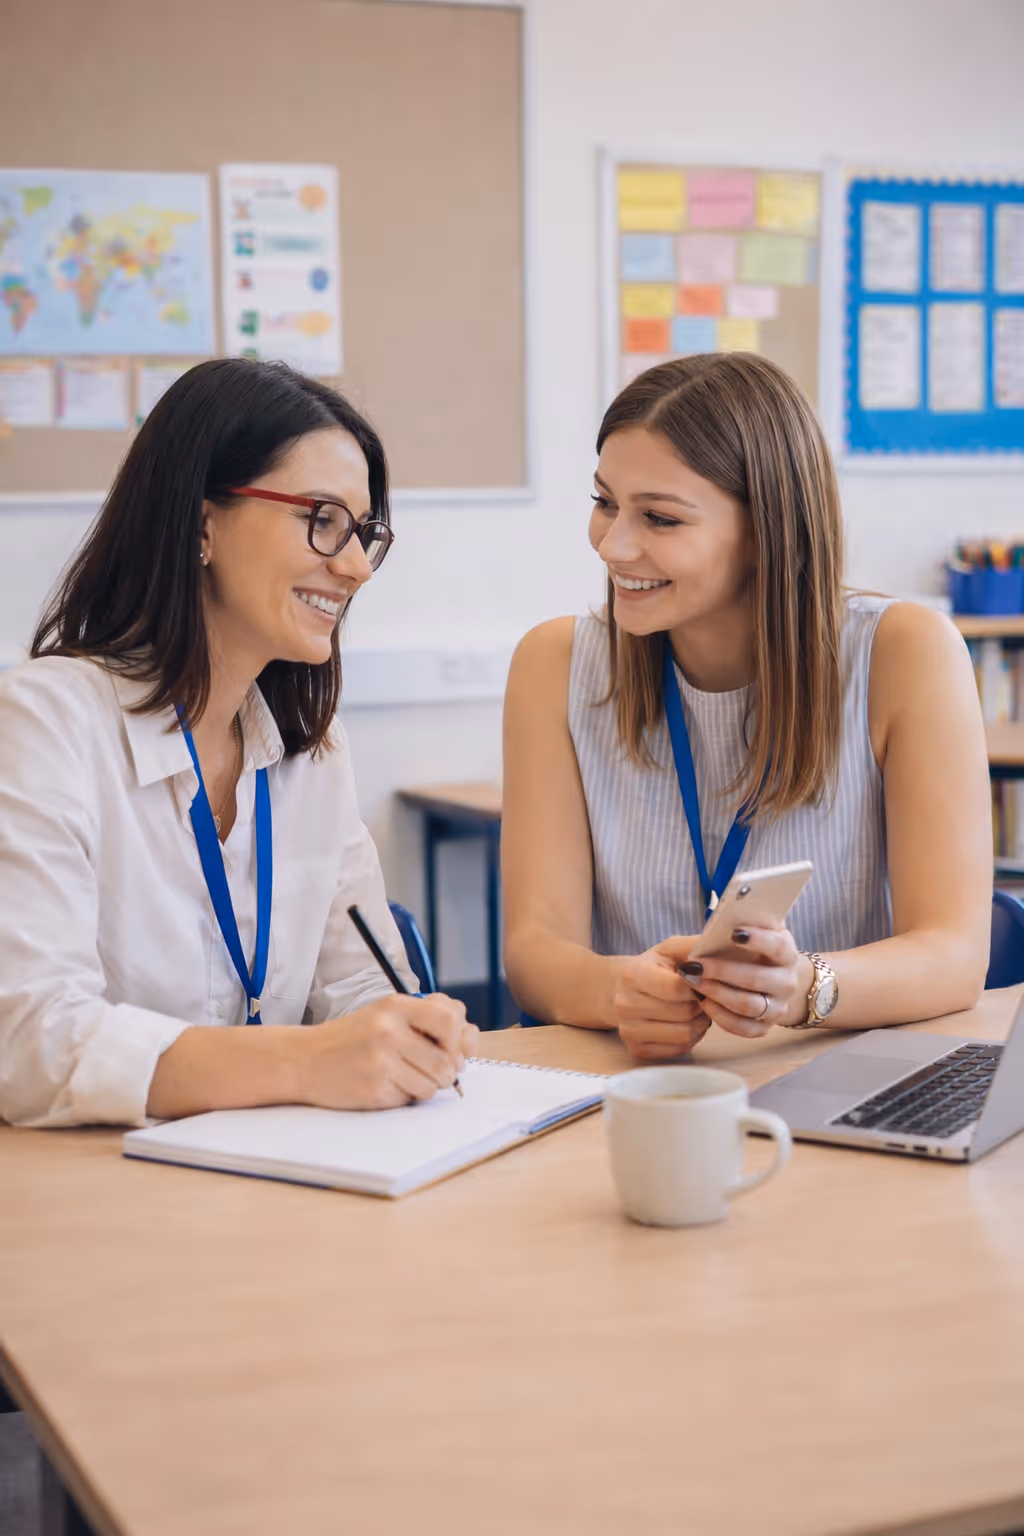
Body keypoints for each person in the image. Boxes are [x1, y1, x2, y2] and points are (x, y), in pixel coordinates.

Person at [0, 358, 476, 1128]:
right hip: (103, 1199)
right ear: (201, 524)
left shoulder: (312, 752)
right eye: (321, 519)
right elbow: (29, 1044)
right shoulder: (46, 723)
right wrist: (306, 1059)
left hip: (276, 1184)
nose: (354, 566)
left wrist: (410, 1032)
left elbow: (365, 985)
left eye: (364, 533)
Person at [502, 353, 992, 1060]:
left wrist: (801, 988)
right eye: (605, 502)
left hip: (827, 1075)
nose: (614, 545)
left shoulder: (906, 653)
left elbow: (954, 954)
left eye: (660, 518)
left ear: (767, 530)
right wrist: (620, 990)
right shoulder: (554, 666)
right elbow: (534, 952)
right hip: (635, 1086)